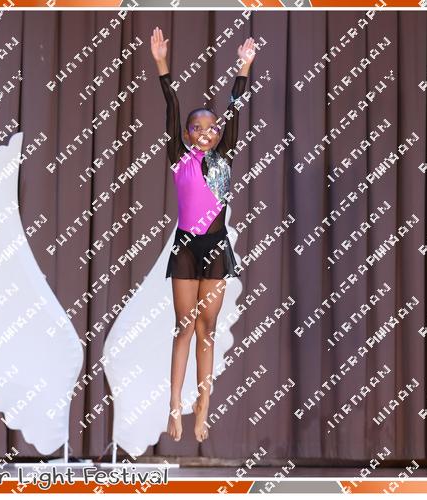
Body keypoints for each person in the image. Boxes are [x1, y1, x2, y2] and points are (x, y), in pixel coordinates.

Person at [150, 26, 256, 443]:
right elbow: (172, 104)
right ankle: (174, 406)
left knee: (207, 329)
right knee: (185, 326)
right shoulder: (179, 157)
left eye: (212, 126)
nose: (207, 131)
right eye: (198, 127)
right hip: (186, 246)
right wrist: (161, 63)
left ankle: (202, 408)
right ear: (188, 134)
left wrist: (243, 68)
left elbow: (236, 106)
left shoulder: (224, 155)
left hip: (216, 246)